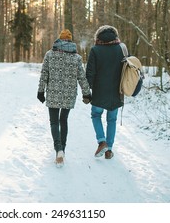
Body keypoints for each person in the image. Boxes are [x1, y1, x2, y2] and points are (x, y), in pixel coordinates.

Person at [38, 29, 92, 167]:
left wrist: (40, 91)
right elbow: (81, 77)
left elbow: (44, 73)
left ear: (59, 40)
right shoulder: (77, 58)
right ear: (70, 41)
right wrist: (86, 93)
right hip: (69, 94)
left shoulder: (49, 55)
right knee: (64, 120)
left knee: (54, 122)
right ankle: (63, 150)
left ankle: (58, 149)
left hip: (53, 93)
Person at [86, 25, 125, 159]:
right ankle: (109, 150)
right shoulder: (122, 49)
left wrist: (87, 92)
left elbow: (90, 73)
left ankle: (102, 141)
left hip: (99, 92)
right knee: (112, 120)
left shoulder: (95, 50)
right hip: (117, 92)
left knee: (96, 115)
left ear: (98, 37)